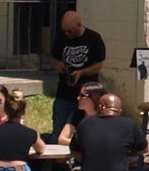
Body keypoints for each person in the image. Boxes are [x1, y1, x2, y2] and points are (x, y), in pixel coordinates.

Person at [46, 9, 109, 137]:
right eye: (65, 30)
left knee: (85, 130)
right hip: (64, 91)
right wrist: (58, 65)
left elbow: (99, 65)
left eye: (70, 31)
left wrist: (81, 72)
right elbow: (53, 57)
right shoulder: (61, 37)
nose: (67, 34)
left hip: (87, 94)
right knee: (59, 129)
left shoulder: (93, 38)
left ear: (79, 25)